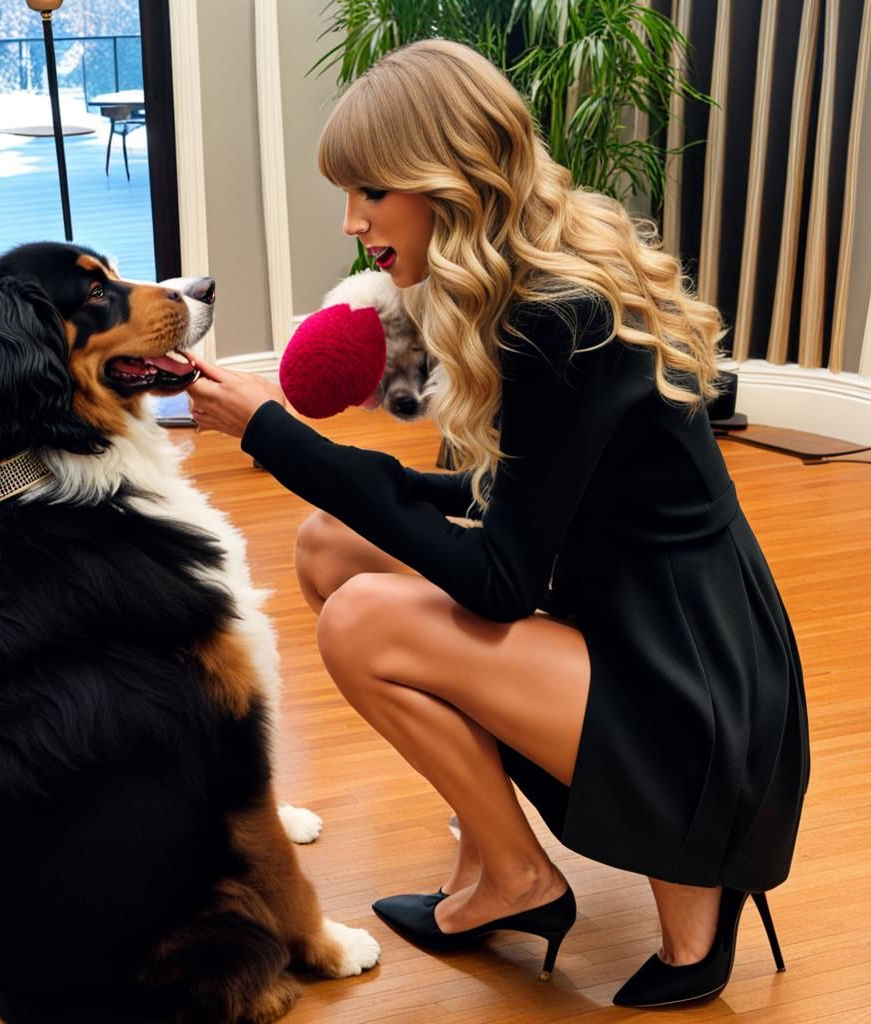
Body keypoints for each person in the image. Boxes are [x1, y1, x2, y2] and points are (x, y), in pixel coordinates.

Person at [185, 39, 809, 1008]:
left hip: (683, 679)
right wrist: (295, 446)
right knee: (328, 543)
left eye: (367, 194)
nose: (353, 225)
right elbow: (501, 505)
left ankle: (559, 878)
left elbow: (498, 577)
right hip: (630, 614)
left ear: (444, 178)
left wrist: (273, 432)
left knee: (361, 619)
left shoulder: (556, 314)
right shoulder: (522, 282)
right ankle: (499, 864)